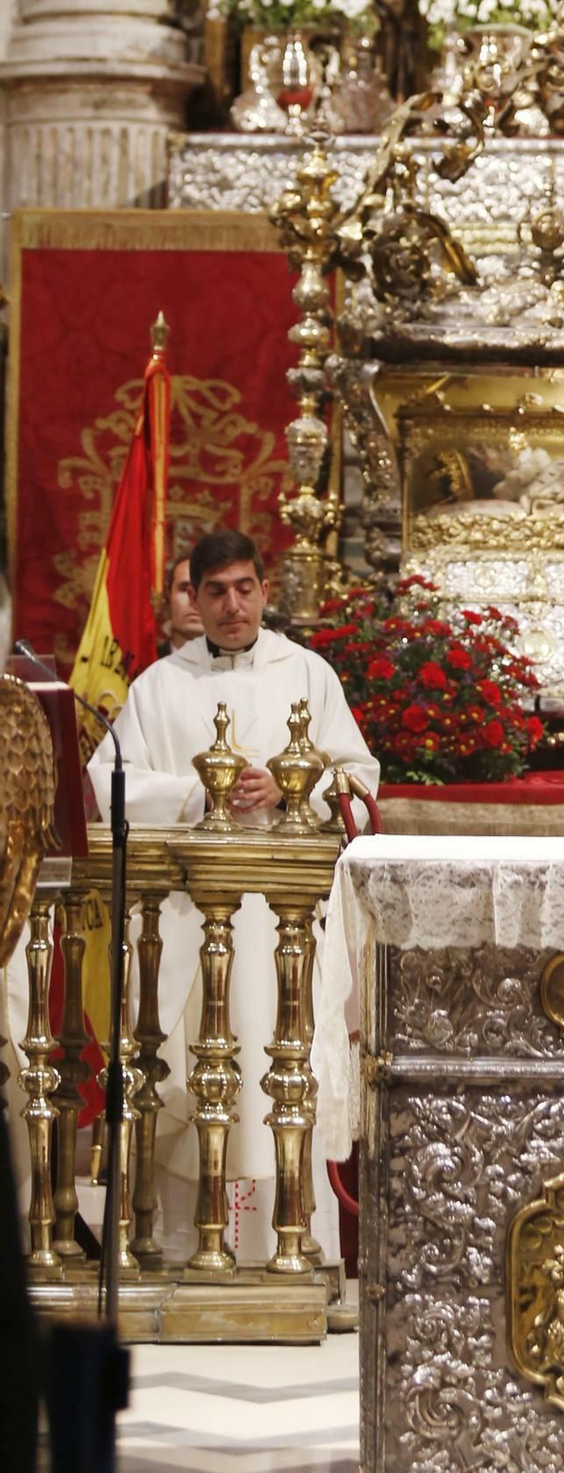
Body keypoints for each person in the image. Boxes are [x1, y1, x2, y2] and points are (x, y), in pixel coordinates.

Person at [86, 529, 378, 1264]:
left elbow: (360, 783)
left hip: (282, 926)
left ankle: (284, 1246)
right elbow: (105, 786)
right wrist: (198, 794)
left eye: (244, 588)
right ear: (193, 597)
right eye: (212, 591)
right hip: (189, 922)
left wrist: (291, 786)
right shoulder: (160, 685)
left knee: (279, 1073)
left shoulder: (307, 673)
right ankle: (186, 1246)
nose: (231, 605)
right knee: (191, 1075)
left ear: (264, 591)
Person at [163, 552, 204, 648]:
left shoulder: (240, 662)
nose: (194, 600)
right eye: (184, 589)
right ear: (168, 598)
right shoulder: (145, 661)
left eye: (203, 590)